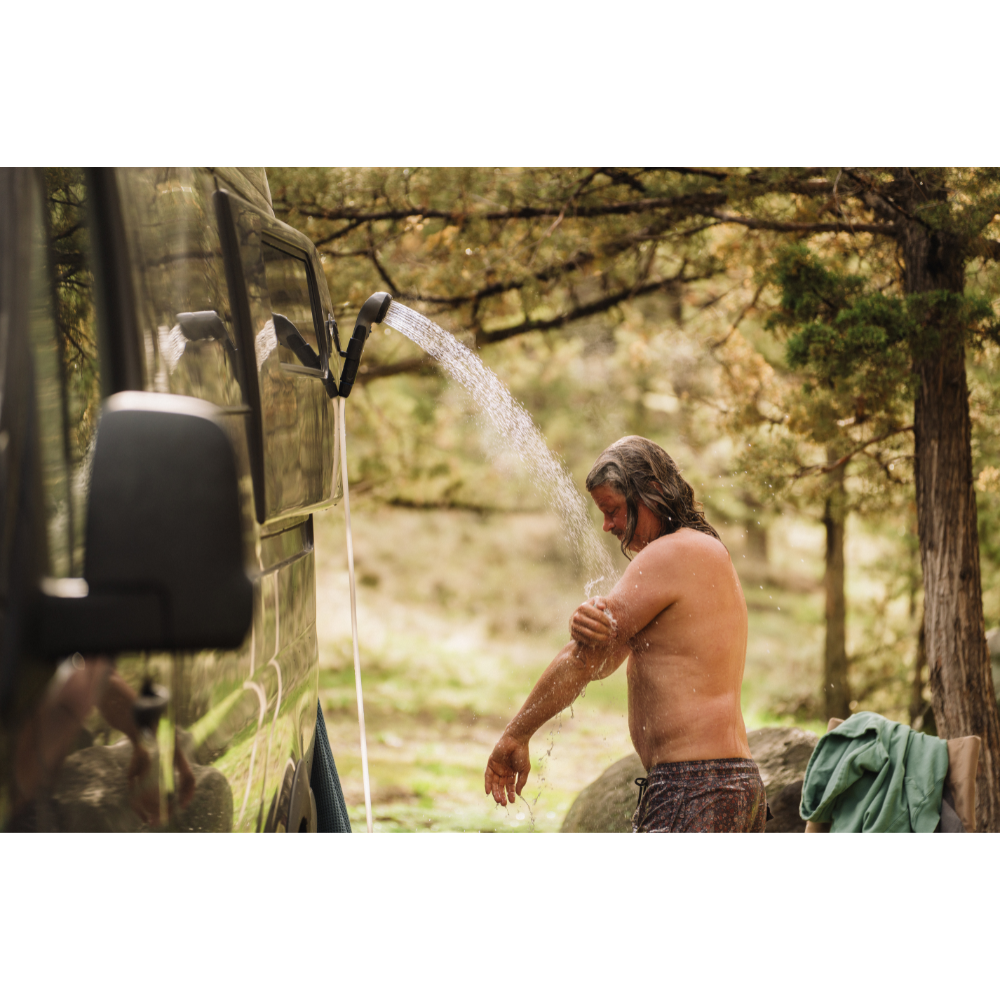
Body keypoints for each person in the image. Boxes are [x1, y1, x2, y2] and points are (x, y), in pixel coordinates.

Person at [484, 435, 766, 832]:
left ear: (652, 491)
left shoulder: (671, 553)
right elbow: (601, 662)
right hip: (728, 785)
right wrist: (589, 628)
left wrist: (515, 735)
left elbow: (582, 661)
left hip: (696, 787)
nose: (607, 526)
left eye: (613, 510)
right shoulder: (702, 551)